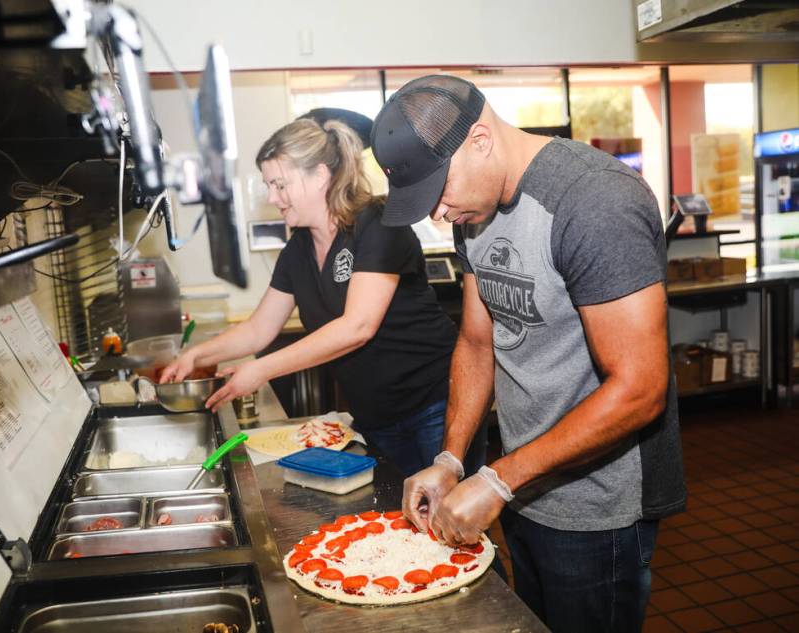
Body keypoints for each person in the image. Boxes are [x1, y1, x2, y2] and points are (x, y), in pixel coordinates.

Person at [370, 75, 685, 633]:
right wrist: (452, 460)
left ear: (481, 140)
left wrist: (498, 480)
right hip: (520, 485)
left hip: (598, 508)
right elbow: (476, 339)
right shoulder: (475, 211)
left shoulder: (594, 201)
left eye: (439, 192)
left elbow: (640, 389)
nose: (438, 214)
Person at [161, 117, 477, 476]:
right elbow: (258, 329)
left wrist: (260, 368)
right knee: (402, 521)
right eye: (268, 186)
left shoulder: (378, 222)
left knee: (449, 517)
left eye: (280, 184)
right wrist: (195, 355)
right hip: (375, 414)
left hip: (436, 403)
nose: (271, 198)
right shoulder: (297, 250)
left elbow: (358, 326)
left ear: (321, 176)